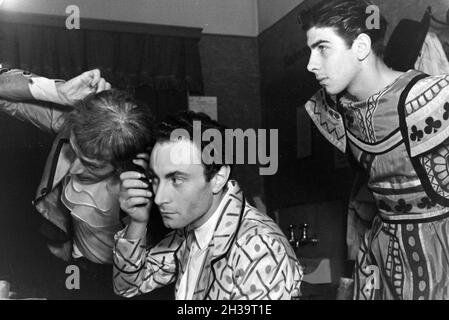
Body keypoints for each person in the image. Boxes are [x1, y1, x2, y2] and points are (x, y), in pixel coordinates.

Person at [301, 0, 449, 299]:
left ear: (360, 46)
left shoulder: (431, 98)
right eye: (310, 50)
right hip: (381, 257)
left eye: (323, 48)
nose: (311, 64)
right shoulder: (333, 111)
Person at [0, 69, 156, 298]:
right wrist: (57, 91)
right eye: (72, 151)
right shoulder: (73, 126)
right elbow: (4, 98)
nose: (73, 169)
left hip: (124, 278)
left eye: (91, 165)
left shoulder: (154, 183)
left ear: (123, 164)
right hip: (74, 264)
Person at [114, 111, 303, 300]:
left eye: (176, 179)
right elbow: (128, 285)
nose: (159, 198)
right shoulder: (190, 230)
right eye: (155, 179)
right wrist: (138, 222)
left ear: (218, 179)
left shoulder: (258, 247)